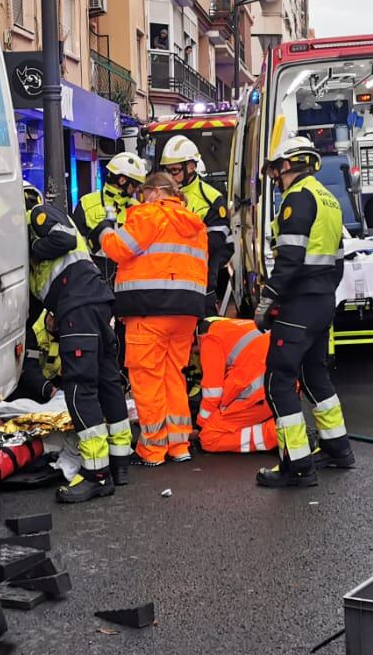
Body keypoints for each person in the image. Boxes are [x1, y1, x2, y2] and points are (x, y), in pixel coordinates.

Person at [255, 135, 355, 488]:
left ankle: (297, 465)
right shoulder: (328, 199)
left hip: (300, 302)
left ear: (288, 164)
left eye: (276, 170)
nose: (276, 178)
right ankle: (337, 448)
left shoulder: (297, 198)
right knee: (315, 375)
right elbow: (340, 258)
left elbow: (290, 258)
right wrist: (323, 291)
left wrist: (268, 298)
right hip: (322, 299)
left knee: (278, 380)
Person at [25, 183, 135, 501]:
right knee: (107, 382)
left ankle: (97, 474)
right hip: (94, 302)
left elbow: (65, 239)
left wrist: (31, 252)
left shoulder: (39, 216)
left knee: (79, 389)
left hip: (78, 306)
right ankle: (119, 462)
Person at [98, 172, 208, 466]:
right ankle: (179, 444)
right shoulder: (194, 225)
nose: (141, 198)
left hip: (149, 310)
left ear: (157, 192)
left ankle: (152, 449)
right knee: (174, 376)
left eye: (144, 193)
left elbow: (117, 249)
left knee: (147, 379)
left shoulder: (148, 216)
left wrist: (105, 229)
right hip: (185, 313)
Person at [160, 135, 232, 315]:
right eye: (167, 171)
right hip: (167, 280)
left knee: (205, 334)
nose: (171, 176)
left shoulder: (211, 198)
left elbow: (215, 244)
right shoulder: (161, 196)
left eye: (175, 170)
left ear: (191, 166)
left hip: (200, 281)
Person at [194, 316, 276, 453]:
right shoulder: (237, 326)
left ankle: (277, 434)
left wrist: (202, 423)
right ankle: (288, 426)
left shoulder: (210, 338)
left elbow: (213, 392)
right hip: (282, 392)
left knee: (209, 438)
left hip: (257, 395)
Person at [76, 152, 148, 279]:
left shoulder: (137, 207)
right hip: (96, 277)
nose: (137, 189)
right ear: (122, 181)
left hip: (128, 277)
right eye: (135, 184)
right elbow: (77, 247)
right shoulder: (86, 203)